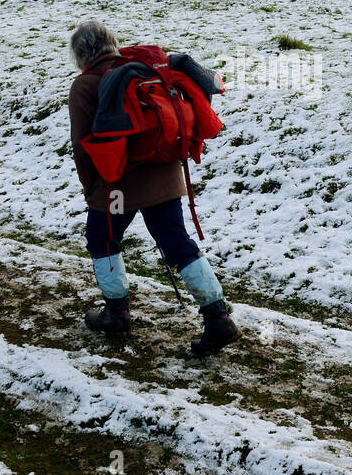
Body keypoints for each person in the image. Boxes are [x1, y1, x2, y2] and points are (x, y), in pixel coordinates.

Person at [67, 20, 239, 357]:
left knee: (102, 238)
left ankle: (117, 313)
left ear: (81, 54)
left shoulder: (86, 85)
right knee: (175, 241)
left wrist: (93, 191)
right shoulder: (143, 71)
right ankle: (217, 317)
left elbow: (83, 147)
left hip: (118, 189)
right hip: (166, 177)